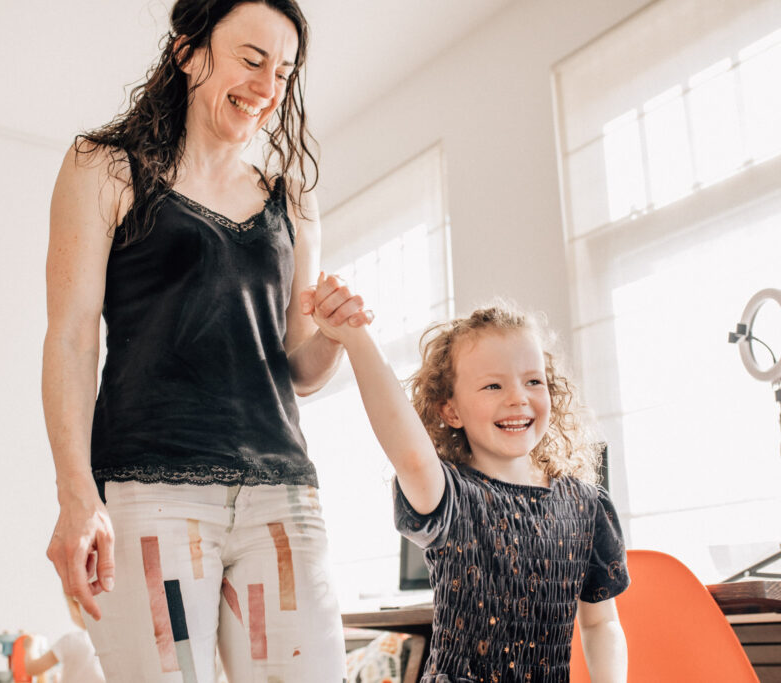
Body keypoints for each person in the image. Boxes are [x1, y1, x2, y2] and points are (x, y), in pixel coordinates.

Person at [41, 1, 369, 680]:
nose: (267, 86)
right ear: (190, 50)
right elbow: (72, 338)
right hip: (149, 487)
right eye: (252, 59)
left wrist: (335, 335)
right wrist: (77, 496)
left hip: (281, 491)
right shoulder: (103, 169)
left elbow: (300, 366)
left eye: (283, 72)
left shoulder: (293, 201)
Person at [301, 295, 630, 682]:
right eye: (493, 385)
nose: (517, 397)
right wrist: (357, 337)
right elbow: (410, 454)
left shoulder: (586, 506)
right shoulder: (448, 494)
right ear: (451, 410)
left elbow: (600, 623)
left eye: (533, 381)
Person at [23, 596, 105, 683]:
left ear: (76, 608)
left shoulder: (72, 640)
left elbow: (33, 668)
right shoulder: (106, 643)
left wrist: (30, 647)